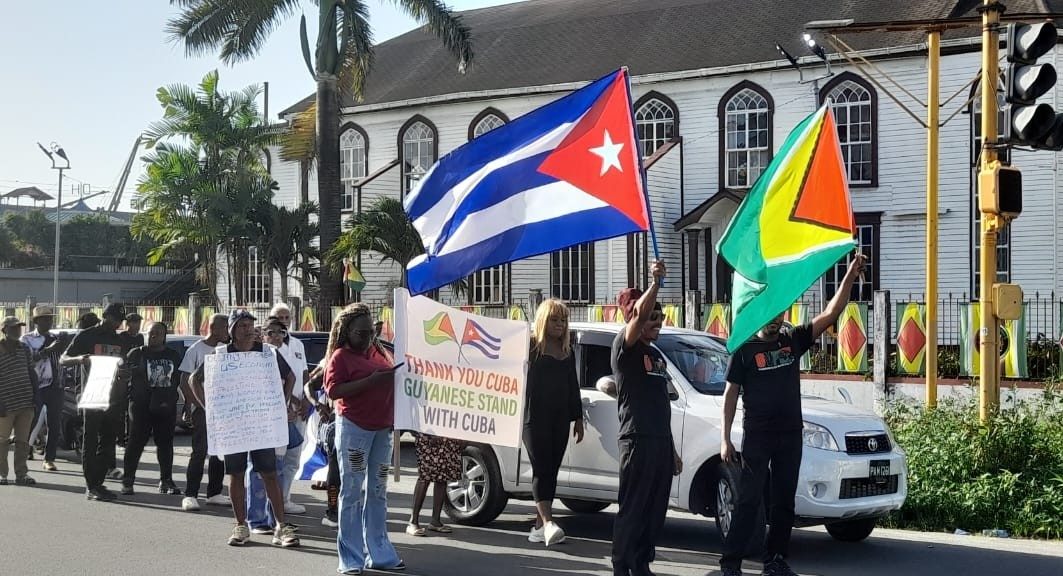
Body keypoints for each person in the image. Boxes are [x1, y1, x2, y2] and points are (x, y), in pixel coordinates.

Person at [719, 254, 866, 576]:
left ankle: (775, 559)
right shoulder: (744, 349)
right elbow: (731, 394)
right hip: (758, 434)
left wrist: (850, 275)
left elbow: (831, 313)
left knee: (784, 501)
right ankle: (731, 562)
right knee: (749, 500)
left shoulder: (792, 340)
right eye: (769, 313)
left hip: (790, 434)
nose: (775, 319)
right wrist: (725, 438)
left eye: (780, 312)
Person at [190, 310, 299, 548]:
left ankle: (281, 525)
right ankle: (241, 525)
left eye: (250, 325)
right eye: (242, 326)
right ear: (232, 331)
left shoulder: (267, 353)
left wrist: (281, 404)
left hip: (261, 425)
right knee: (236, 474)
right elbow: (194, 380)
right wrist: (210, 410)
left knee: (269, 474)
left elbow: (290, 376)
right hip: (234, 427)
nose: (248, 330)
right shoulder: (221, 355)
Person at [610, 261, 681, 576]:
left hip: (660, 443)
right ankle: (622, 564)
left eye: (661, 317)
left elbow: (661, 405)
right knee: (634, 508)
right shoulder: (624, 349)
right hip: (637, 440)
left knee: (654, 510)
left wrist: (672, 450)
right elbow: (638, 317)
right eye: (653, 316)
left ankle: (641, 562)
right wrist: (657, 283)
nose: (658, 323)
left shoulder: (656, 356)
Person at [324, 304, 404, 574]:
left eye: (372, 331)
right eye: (362, 333)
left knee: (378, 491)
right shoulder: (340, 357)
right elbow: (333, 391)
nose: (368, 337)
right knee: (352, 492)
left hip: (383, 430)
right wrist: (371, 381)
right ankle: (351, 558)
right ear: (347, 331)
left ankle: (380, 553)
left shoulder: (380, 350)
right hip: (355, 430)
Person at [524, 298, 584, 546]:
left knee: (552, 471)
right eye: (555, 319)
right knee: (542, 469)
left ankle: (538, 528)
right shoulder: (530, 347)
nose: (560, 325)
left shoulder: (567, 351)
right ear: (543, 321)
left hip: (560, 419)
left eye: (563, 320)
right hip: (533, 418)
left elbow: (573, 387)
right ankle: (548, 523)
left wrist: (578, 418)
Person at [61, 303, 131, 501]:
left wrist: (124, 375)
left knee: (108, 442)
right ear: (105, 316)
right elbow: (63, 359)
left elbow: (122, 365)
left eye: (120, 320)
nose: (117, 323)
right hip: (92, 393)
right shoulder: (87, 336)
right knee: (90, 441)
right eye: (114, 319)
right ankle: (90, 485)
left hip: (113, 396)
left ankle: (99, 482)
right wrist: (81, 359)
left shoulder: (119, 340)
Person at [121, 322, 183, 495]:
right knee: (135, 443)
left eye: (157, 332)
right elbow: (123, 376)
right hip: (141, 406)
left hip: (165, 406)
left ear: (164, 335)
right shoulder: (136, 353)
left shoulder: (173, 355)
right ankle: (128, 481)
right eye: (150, 332)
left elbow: (179, 378)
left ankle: (166, 481)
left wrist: (171, 397)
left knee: (165, 444)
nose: (153, 335)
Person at [178, 313, 231, 512]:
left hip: (222, 409)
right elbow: (185, 381)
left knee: (218, 452)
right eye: (226, 328)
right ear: (214, 328)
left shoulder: (225, 350)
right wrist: (195, 405)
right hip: (202, 408)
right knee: (199, 452)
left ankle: (214, 492)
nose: (228, 332)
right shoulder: (196, 350)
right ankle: (190, 494)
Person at [267, 308, 312, 515]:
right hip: (278, 411)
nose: (283, 323)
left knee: (293, 457)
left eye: (286, 318)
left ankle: (285, 498)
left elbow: (303, 373)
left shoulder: (297, 344)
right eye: (279, 319)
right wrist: (291, 402)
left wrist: (305, 400)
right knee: (275, 458)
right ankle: (271, 502)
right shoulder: (265, 349)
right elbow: (282, 380)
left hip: (299, 410)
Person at [21, 306, 65, 471]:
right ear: (36, 321)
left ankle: (49, 459)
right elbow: (27, 360)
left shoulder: (56, 337)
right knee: (31, 422)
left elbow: (64, 359)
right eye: (45, 318)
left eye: (50, 318)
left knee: (55, 425)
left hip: (56, 385)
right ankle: (24, 452)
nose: (49, 321)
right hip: (36, 386)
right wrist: (48, 350)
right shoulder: (27, 339)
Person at [0, 317, 39, 486]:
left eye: (19, 328)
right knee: (2, 440)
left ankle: (21, 474)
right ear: (4, 330)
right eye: (14, 328)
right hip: (5, 403)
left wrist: (36, 395)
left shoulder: (24, 348)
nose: (18, 330)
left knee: (22, 441)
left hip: (26, 401)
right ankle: (2, 474)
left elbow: (31, 372)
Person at [406, 432, 463, 537]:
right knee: (425, 477)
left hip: (448, 437)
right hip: (428, 435)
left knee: (442, 478)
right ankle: (413, 521)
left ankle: (435, 521)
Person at [306, 361, 340, 528]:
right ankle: (333, 512)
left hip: (363, 425)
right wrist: (317, 405)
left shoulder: (375, 358)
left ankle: (340, 512)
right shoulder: (334, 360)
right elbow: (309, 384)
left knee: (351, 473)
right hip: (337, 424)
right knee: (335, 471)